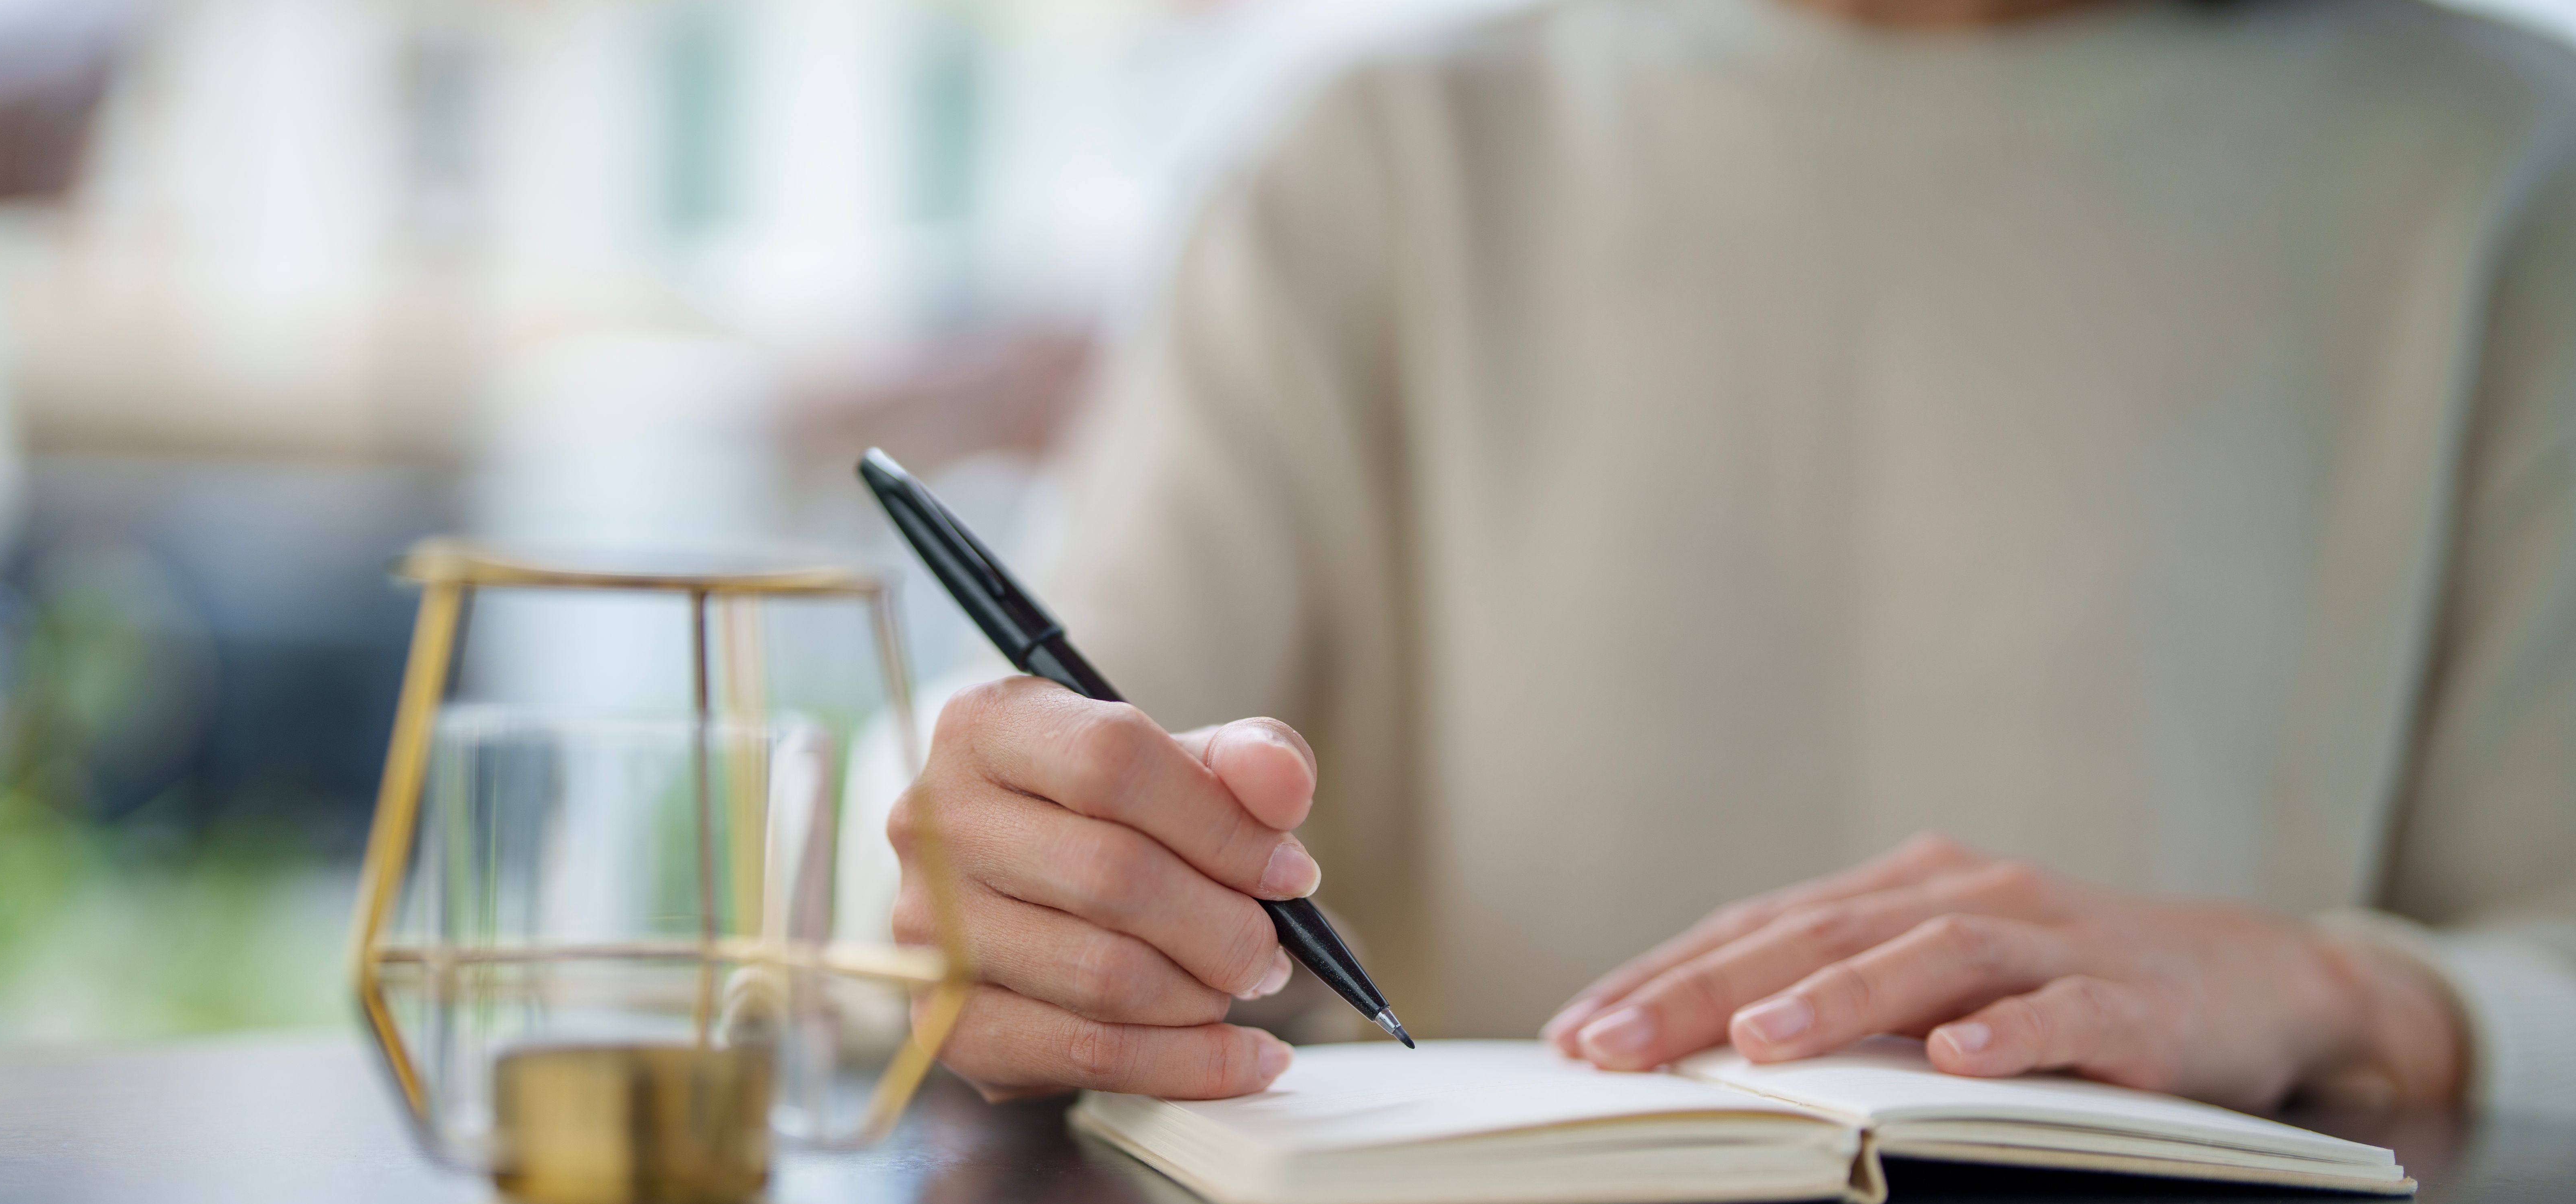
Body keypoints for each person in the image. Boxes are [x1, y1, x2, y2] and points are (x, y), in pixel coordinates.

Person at [891, 0, 2576, 1116]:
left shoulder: (2509, 168)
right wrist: (1012, 886)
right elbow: (1061, 788)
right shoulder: (1357, 153)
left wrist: (2349, 995)